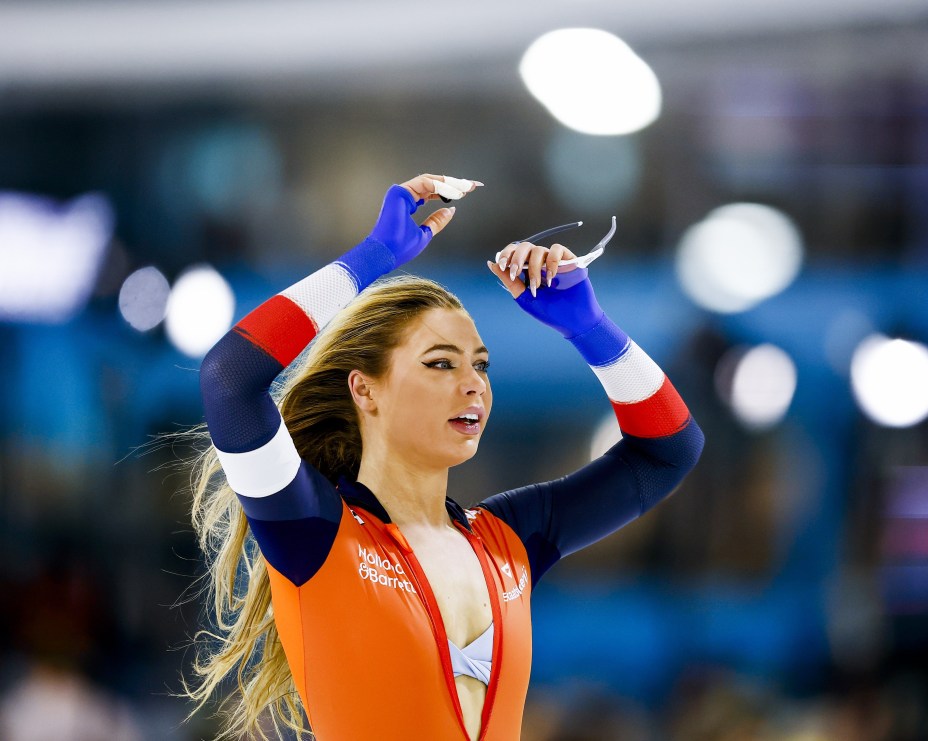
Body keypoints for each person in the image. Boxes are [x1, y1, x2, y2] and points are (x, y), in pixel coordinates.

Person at [185, 173, 704, 741]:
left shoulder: (508, 542)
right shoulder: (312, 531)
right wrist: (371, 258)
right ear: (365, 390)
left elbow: (669, 449)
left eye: (481, 365)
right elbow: (230, 378)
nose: (473, 385)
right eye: (441, 363)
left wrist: (589, 327)